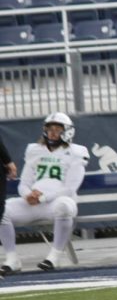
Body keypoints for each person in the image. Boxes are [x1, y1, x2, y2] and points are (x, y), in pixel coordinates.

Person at [0, 113, 88, 275]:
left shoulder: (76, 152)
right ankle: (12, 259)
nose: (53, 132)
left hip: (56, 203)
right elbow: (24, 183)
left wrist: (43, 197)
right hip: (33, 203)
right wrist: (27, 195)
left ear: (67, 131)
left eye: (57, 129)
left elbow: (69, 188)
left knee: (64, 206)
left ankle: (54, 256)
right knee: (1, 210)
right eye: (50, 129)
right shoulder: (35, 150)